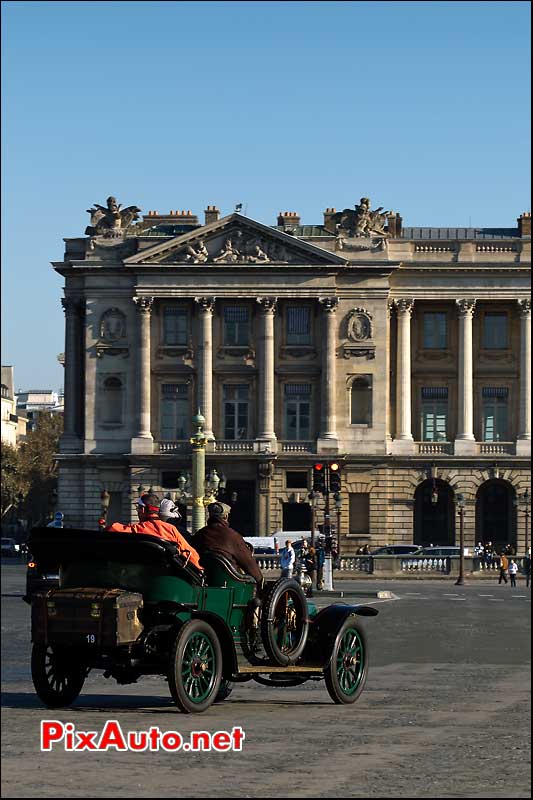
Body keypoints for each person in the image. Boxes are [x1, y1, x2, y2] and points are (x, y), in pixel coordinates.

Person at [106, 492, 203, 571]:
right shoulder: (171, 529)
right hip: (169, 573)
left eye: (138, 508)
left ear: (143, 509)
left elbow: (112, 529)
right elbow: (190, 554)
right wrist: (200, 570)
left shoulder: (137, 529)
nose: (137, 511)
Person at [193, 502, 263, 585]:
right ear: (226, 516)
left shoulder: (199, 534)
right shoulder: (232, 536)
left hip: (204, 581)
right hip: (230, 583)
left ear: (210, 516)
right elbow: (248, 562)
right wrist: (260, 580)